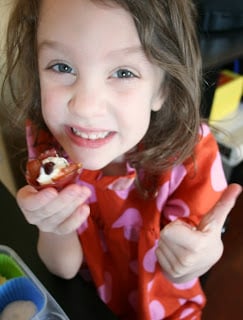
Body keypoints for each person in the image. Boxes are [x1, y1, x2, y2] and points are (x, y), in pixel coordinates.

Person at [2, 0, 242, 319]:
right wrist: (54, 225)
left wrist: (200, 257)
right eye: (61, 66)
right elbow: (64, 268)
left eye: (123, 72)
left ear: (163, 89)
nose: (85, 107)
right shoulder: (49, 144)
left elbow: (181, 271)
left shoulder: (190, 155)